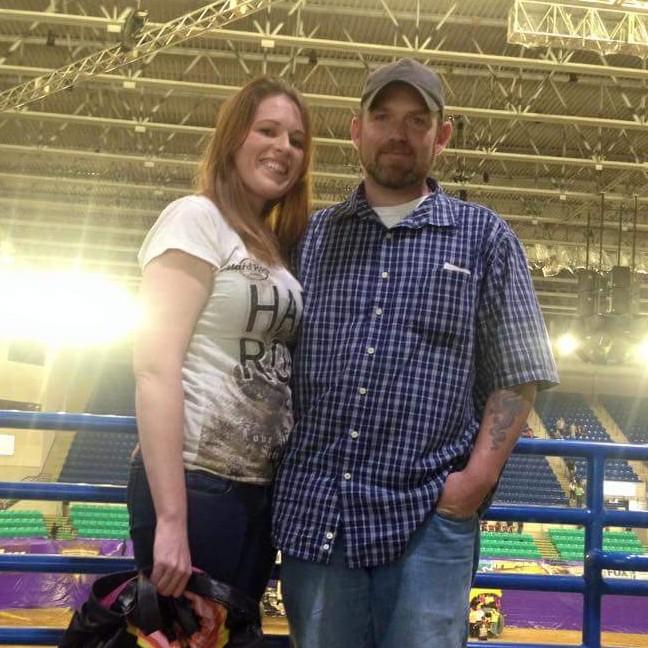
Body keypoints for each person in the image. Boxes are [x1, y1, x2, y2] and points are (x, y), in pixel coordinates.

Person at [272, 58, 559, 648]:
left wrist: (471, 486)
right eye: (382, 117)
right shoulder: (311, 237)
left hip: (428, 520)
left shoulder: (484, 238)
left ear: (442, 135)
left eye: (416, 120)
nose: (397, 133)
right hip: (319, 515)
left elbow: (518, 374)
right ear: (356, 130)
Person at [127, 76, 312, 628]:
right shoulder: (194, 218)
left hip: (258, 490)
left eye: (297, 140)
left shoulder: (270, 244)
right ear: (233, 138)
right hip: (197, 480)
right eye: (267, 131)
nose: (283, 148)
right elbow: (155, 367)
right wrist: (171, 518)